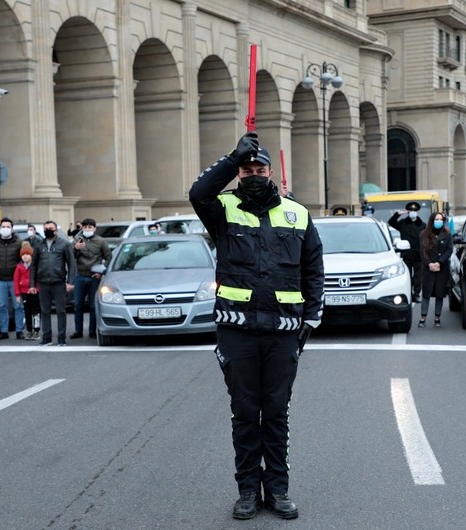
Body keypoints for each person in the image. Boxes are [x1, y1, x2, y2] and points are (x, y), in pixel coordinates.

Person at [189, 131, 325, 521]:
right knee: (245, 413)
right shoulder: (223, 209)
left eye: (258, 168)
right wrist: (232, 157)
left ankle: (278, 490)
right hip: (237, 330)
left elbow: (313, 268)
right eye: (246, 169)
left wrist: (312, 317)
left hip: (284, 331)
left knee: (277, 412)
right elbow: (198, 193)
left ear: (271, 172)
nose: (252, 174)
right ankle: (248, 489)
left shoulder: (297, 214)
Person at [30, 220, 76, 346]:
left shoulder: (64, 244)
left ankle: (61, 338)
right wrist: (32, 284)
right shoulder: (39, 245)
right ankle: (46, 337)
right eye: (46, 228)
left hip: (59, 282)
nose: (48, 230)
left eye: (50, 228)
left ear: (56, 230)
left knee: (61, 311)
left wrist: (70, 281)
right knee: (45, 311)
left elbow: (71, 263)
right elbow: (33, 265)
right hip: (43, 282)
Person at [70, 218, 111, 339]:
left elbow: (109, 257)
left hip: (95, 276)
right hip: (80, 275)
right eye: (85, 227)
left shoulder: (101, 241)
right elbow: (70, 257)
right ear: (82, 228)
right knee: (78, 305)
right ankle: (78, 331)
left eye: (90, 227)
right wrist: (75, 248)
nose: (87, 229)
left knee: (93, 306)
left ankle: (93, 331)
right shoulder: (77, 240)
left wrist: (102, 272)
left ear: (94, 228)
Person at [0, 217, 25, 340]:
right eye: (3, 227)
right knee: (2, 306)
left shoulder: (19, 243)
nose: (5, 229)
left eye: (8, 227)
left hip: (15, 280)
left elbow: (24, 261)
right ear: (0, 228)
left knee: (18, 306)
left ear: (12, 229)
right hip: (0, 280)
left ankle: (20, 331)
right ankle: (4, 331)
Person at [417, 212, 453, 328]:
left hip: (442, 268)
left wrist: (440, 262)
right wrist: (429, 264)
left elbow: (449, 250)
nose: (439, 221)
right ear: (432, 221)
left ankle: (437, 318)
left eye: (440, 219)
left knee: (440, 293)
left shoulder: (447, 234)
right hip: (428, 269)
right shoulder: (424, 234)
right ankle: (423, 318)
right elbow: (423, 252)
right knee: (426, 293)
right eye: (436, 219)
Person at [388, 201, 426, 301]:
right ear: (408, 212)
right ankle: (408, 293)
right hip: (406, 254)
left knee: (418, 277)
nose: (413, 212)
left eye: (415, 210)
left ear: (417, 212)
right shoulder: (403, 223)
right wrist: (397, 214)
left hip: (418, 254)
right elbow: (391, 222)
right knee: (407, 275)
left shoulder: (423, 225)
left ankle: (416, 294)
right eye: (411, 210)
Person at [14, 242, 41, 339]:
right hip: (24, 292)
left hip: (34, 292)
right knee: (27, 312)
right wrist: (17, 294)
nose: (25, 257)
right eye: (23, 255)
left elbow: (38, 278)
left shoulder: (35, 266)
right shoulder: (19, 267)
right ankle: (29, 330)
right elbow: (16, 280)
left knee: (36, 311)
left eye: (27, 254)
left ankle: (36, 330)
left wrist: (37, 288)